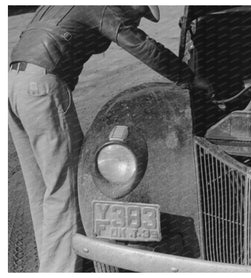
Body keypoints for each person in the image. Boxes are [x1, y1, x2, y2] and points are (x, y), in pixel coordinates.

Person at [8, 6, 209, 272]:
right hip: (43, 85)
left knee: (42, 188)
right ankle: (62, 271)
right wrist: (190, 79)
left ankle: (50, 265)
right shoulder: (103, 6)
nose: (135, 20)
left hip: (12, 83)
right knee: (66, 189)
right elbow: (144, 47)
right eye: (137, 13)